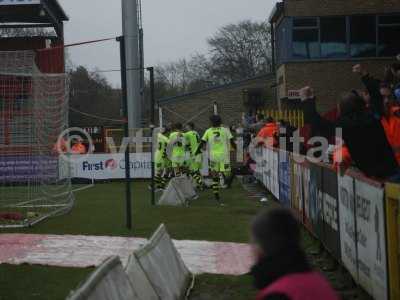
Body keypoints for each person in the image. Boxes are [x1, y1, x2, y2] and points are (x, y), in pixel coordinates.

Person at [301, 86, 399, 180]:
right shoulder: (372, 118)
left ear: (343, 109)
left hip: (383, 176)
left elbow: (318, 122)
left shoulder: (348, 125)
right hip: (391, 171)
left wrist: (307, 100)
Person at [250, 209, 339, 300]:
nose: (252, 249)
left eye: (254, 242)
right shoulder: (320, 282)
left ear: (262, 247)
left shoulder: (277, 294)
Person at [198, 115, 236, 204]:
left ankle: (217, 196)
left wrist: (197, 152)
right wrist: (237, 149)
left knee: (214, 176)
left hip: (213, 156)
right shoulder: (225, 130)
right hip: (224, 156)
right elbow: (232, 142)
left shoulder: (208, 131)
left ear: (212, 122)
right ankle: (226, 180)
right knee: (227, 173)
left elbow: (202, 142)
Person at [184, 122, 204, 189]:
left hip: (194, 154)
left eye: (186, 126)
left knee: (192, 171)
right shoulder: (196, 133)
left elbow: (184, 143)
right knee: (197, 171)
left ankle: (201, 183)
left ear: (189, 126)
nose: (186, 128)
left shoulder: (187, 134)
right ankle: (200, 185)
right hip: (199, 153)